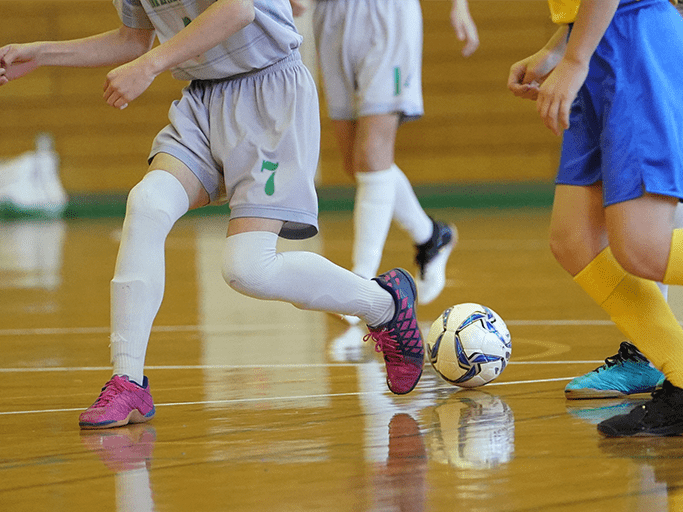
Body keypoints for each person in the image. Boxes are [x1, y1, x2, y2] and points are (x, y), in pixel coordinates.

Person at [0, 0, 426, 430]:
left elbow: (239, 8)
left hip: (270, 93)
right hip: (203, 100)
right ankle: (127, 380)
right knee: (147, 203)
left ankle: (385, 306)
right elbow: (133, 39)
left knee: (247, 269)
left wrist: (150, 66)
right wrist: (42, 52)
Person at [508, 0, 683, 436]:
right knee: (574, 240)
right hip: (604, 42)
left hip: (635, 44)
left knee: (642, 247)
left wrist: (574, 58)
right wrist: (561, 47)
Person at [289, 0, 480, 316]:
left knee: (371, 158)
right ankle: (432, 236)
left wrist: (459, 6)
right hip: (331, 17)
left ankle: (360, 285)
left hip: (385, 14)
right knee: (357, 164)